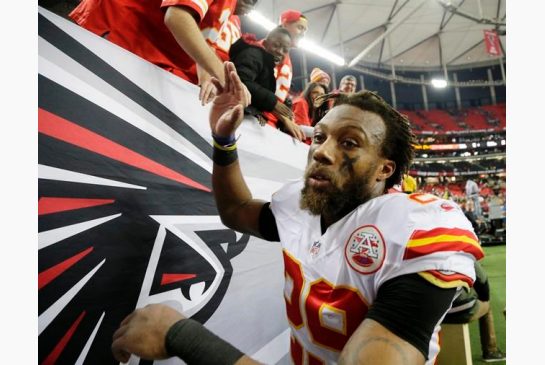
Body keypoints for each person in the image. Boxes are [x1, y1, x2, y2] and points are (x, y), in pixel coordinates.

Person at [112, 62, 483, 365]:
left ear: (385, 169)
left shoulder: (415, 228)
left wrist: (181, 336)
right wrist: (224, 143)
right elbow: (236, 210)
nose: (321, 151)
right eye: (320, 137)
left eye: (349, 142)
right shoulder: (301, 204)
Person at [69, 0, 257, 105]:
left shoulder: (229, 6)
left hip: (139, 43)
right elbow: (177, 17)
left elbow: (205, 39)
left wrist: (207, 77)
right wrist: (227, 78)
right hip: (118, 26)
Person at [229, 27, 304, 141]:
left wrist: (284, 118)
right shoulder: (253, 54)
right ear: (265, 43)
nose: (280, 51)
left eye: (285, 50)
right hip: (230, 114)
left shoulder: (266, 64)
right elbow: (240, 81)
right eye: (276, 45)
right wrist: (273, 103)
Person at [443, 262, 506, 362]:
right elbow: (482, 280)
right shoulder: (461, 248)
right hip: (458, 308)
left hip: (427, 311)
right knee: (486, 305)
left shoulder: (417, 250)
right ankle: (491, 351)